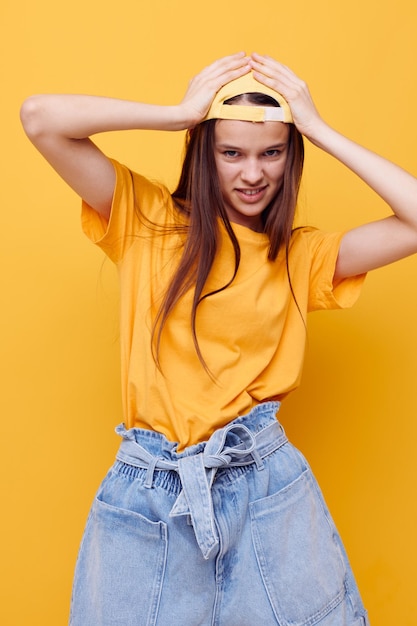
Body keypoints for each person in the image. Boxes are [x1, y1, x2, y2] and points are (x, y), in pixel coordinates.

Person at [20, 51, 417, 626]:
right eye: (230, 152)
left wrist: (319, 129)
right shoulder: (145, 219)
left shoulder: (301, 257)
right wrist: (178, 113)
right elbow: (39, 117)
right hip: (151, 489)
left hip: (264, 481)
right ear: (204, 154)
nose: (252, 173)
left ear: (290, 156)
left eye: (271, 153)